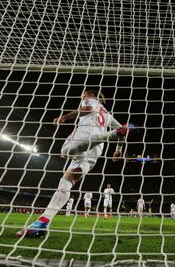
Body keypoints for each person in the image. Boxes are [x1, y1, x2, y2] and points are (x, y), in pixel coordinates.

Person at [17, 90, 127, 237]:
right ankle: (43, 221)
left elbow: (88, 109)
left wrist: (65, 117)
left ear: (88, 94)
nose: (82, 96)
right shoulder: (107, 114)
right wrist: (118, 149)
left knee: (65, 150)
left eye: (83, 95)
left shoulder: (90, 100)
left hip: (85, 136)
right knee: (67, 181)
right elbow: (124, 130)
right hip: (95, 151)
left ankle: (109, 135)